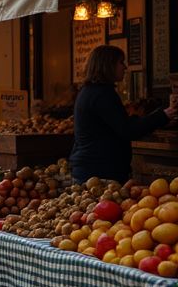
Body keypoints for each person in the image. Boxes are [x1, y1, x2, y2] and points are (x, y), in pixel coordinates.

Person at [70, 45, 178, 183]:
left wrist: (161, 118)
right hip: (98, 173)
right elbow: (127, 130)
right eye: (121, 62)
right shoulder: (101, 94)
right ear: (107, 65)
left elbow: (118, 124)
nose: (125, 67)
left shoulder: (90, 91)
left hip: (91, 169)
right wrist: (164, 114)